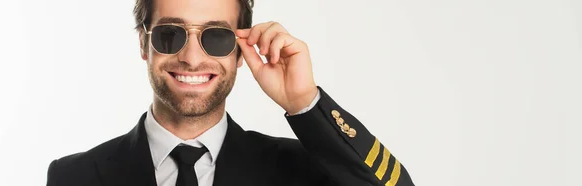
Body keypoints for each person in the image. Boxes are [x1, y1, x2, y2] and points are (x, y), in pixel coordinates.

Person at [45, 0, 416, 185]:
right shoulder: (74, 176)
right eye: (170, 34)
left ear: (241, 50)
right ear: (144, 44)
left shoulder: (302, 169)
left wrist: (304, 103)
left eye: (217, 37)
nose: (191, 58)